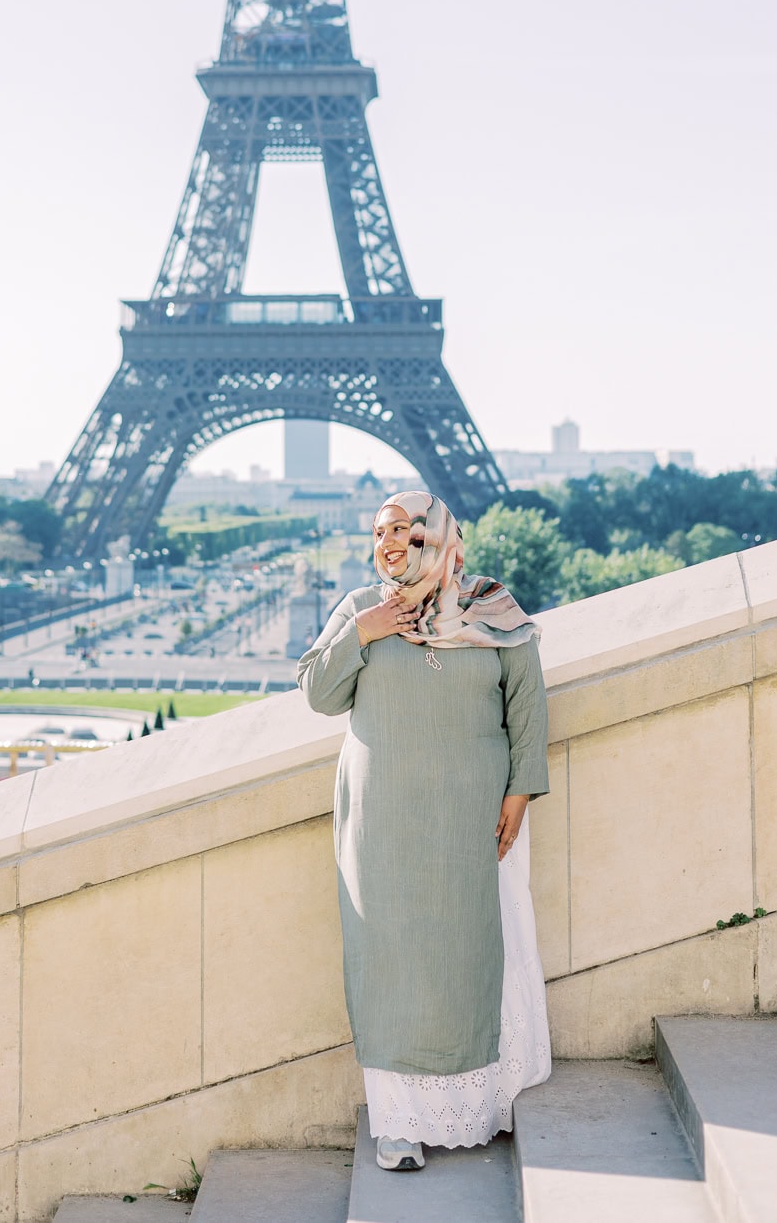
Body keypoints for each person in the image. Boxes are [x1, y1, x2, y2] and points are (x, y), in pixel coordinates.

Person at [297, 490, 551, 1172]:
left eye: (406, 529)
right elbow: (319, 693)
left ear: (439, 536)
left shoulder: (493, 608)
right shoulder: (361, 608)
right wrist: (369, 629)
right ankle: (399, 1122)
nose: (390, 542)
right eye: (380, 531)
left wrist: (521, 789)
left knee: (471, 951)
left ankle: (482, 1103)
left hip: (475, 818)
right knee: (392, 964)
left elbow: (525, 700)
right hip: (382, 824)